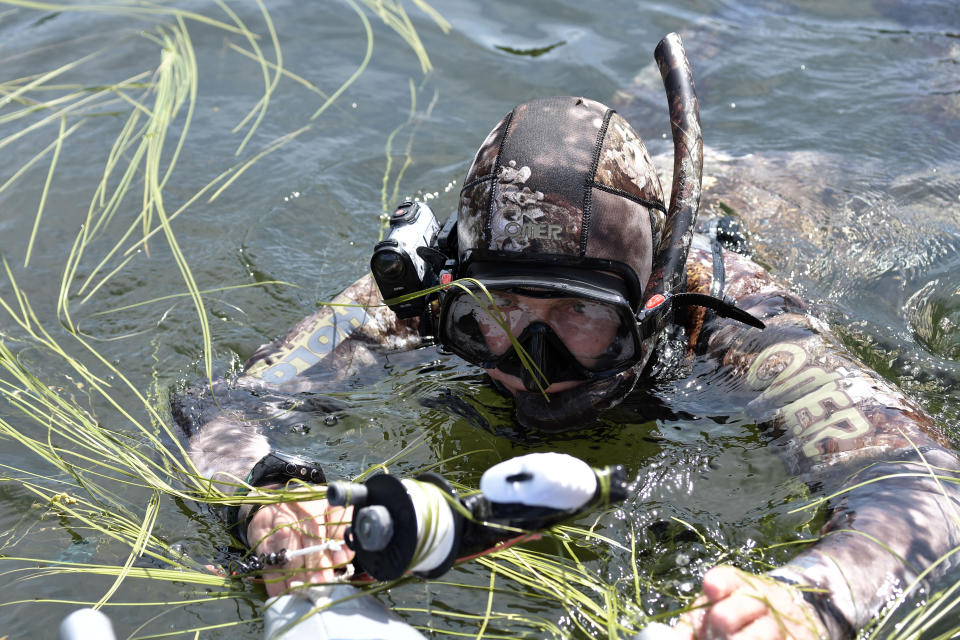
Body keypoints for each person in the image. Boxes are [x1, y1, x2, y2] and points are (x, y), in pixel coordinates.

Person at [173, 40, 960, 639]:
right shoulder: (426, 291)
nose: (529, 361)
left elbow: (929, 490)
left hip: (818, 199)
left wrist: (805, 603)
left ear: (650, 308)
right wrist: (274, 493)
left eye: (579, 316)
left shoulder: (725, 308)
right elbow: (226, 405)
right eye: (498, 310)